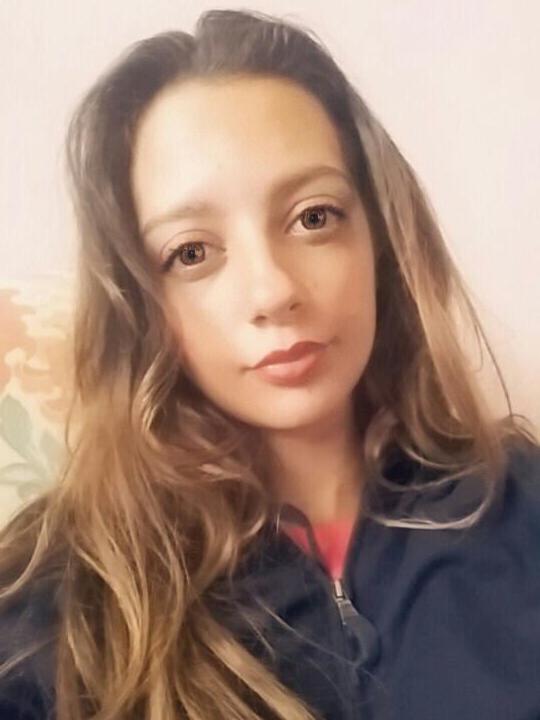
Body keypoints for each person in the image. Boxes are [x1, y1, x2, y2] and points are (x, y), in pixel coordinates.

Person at [0, 7, 539, 720]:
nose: (274, 291)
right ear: (138, 302)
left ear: (380, 237)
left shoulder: (515, 502)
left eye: (314, 217)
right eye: (192, 252)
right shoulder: (52, 607)